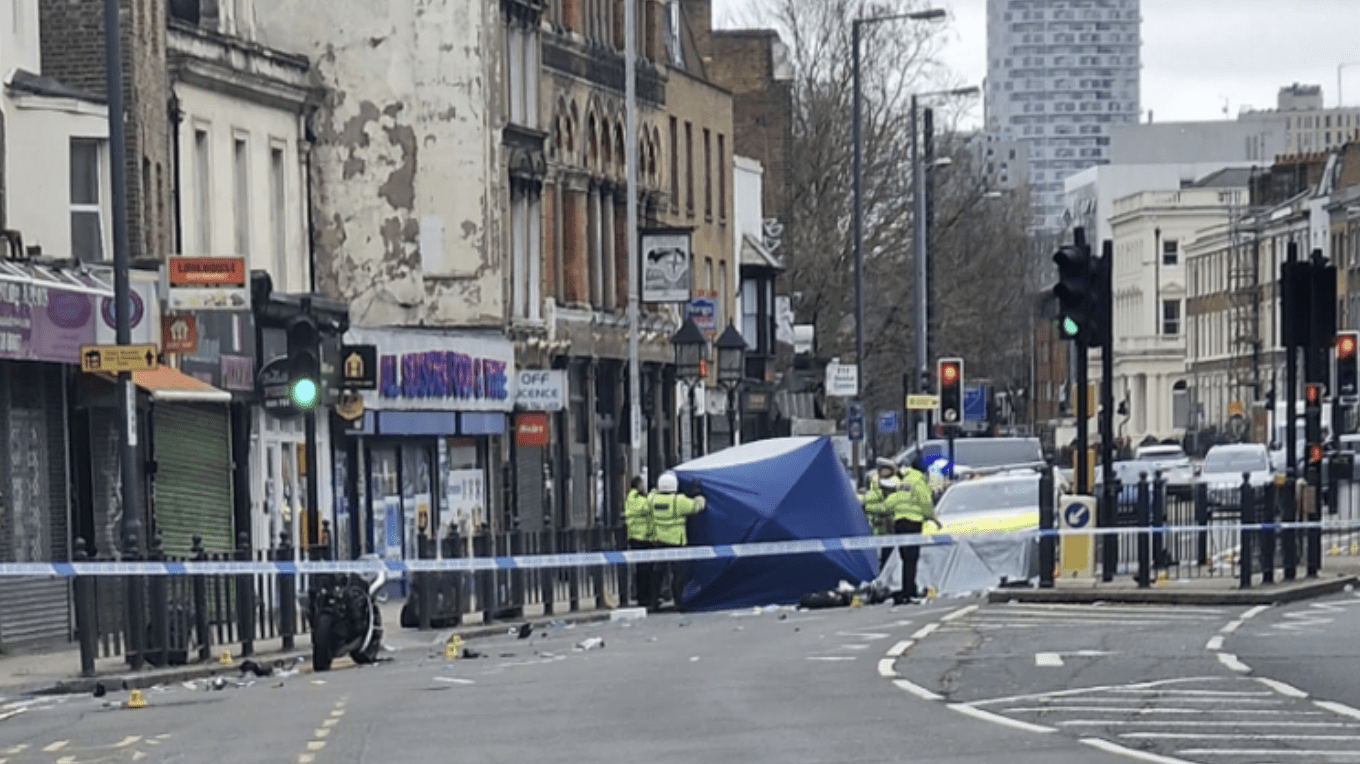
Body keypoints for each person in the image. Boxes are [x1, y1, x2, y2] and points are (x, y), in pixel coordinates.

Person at [884, 456, 943, 604]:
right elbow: (925, 503)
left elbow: (891, 502)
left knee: (905, 559)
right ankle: (910, 590)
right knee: (911, 559)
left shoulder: (904, 482)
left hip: (899, 523)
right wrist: (933, 519)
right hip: (913, 523)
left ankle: (907, 588)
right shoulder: (919, 482)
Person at [649, 471, 707, 610]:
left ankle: (653, 602)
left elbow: (652, 493)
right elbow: (697, 507)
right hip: (676, 543)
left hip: (659, 542)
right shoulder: (678, 501)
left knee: (657, 573)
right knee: (678, 575)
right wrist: (698, 495)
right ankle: (678, 602)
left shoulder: (652, 500)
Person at [623, 476, 654, 608]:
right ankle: (643, 597)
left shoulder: (630, 498)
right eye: (642, 484)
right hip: (641, 537)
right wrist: (653, 495)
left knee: (642, 569)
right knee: (644, 570)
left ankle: (643, 596)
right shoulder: (636, 499)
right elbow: (647, 507)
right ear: (638, 486)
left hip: (635, 536)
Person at [862, 459, 898, 566]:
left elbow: (890, 505)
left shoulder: (895, 483)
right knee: (880, 557)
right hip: (877, 528)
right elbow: (870, 502)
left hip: (891, 527)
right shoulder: (874, 485)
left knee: (890, 557)